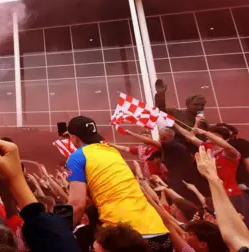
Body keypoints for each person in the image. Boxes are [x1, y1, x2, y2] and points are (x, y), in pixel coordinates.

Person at [64, 116, 171, 251]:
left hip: (124, 238)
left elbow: (77, 205)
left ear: (74, 137)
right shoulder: (112, 151)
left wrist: (61, 232)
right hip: (160, 232)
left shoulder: (76, 157)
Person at [123, 127, 209, 204]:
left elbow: (148, 141)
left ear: (164, 137)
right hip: (179, 178)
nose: (158, 137)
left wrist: (130, 133)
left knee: (179, 201)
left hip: (180, 179)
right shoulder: (173, 148)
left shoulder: (172, 145)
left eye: (159, 135)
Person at [154, 79, 208, 147]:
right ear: (187, 104)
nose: (200, 107)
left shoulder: (204, 122)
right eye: (196, 104)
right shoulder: (176, 113)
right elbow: (160, 111)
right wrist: (160, 96)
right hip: (177, 149)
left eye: (202, 105)